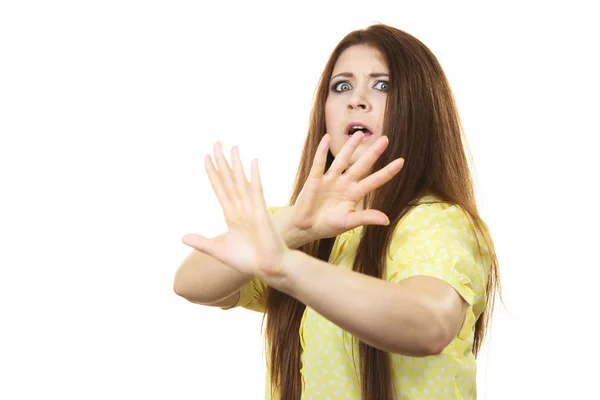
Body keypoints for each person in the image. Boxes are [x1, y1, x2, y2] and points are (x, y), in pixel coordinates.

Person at [173, 23, 501, 400]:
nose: (356, 100)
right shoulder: (301, 225)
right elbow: (190, 283)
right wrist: (294, 228)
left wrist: (283, 264)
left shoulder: (436, 221)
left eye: (382, 85)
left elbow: (429, 325)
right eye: (342, 86)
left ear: (420, 108)